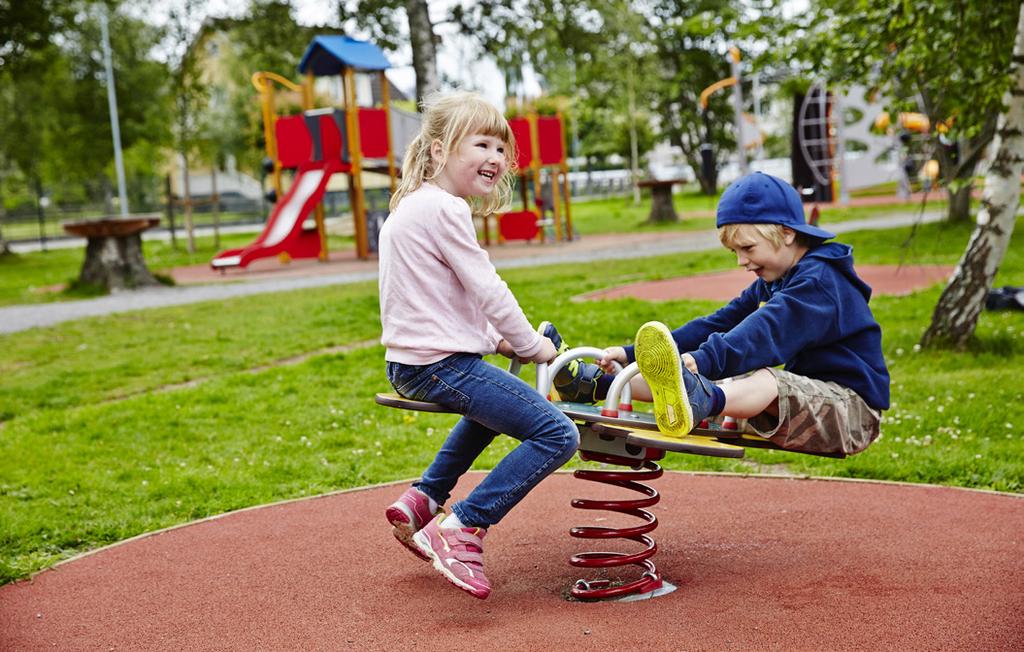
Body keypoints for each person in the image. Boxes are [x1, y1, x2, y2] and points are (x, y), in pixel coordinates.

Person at [378, 92, 579, 600]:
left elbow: (437, 305)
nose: (495, 157)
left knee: (498, 402)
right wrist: (531, 345)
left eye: (500, 147)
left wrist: (501, 342)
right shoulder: (446, 209)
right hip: (438, 365)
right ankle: (464, 526)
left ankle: (425, 497)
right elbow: (488, 288)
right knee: (558, 434)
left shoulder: (412, 205)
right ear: (442, 149)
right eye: (482, 144)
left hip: (411, 361)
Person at [591, 172, 890, 456]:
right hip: (812, 401)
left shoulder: (819, 283)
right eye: (734, 252)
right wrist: (634, 356)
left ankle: (702, 399)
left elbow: (766, 331)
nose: (741, 261)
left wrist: (705, 359)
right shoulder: (774, 279)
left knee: (767, 381)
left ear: (786, 234)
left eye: (747, 248)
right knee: (728, 379)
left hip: (851, 412)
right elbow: (719, 322)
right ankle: (599, 384)